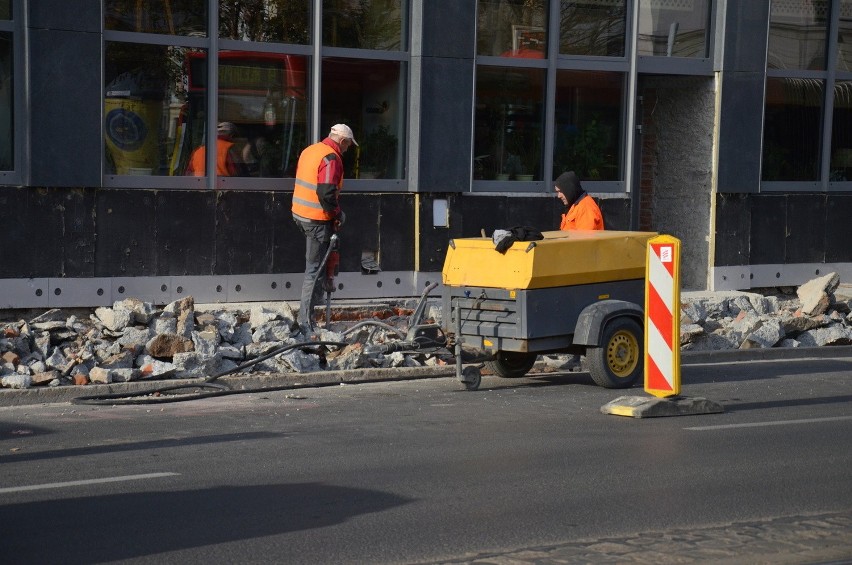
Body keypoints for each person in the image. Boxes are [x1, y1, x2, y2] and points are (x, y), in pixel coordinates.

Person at [291, 123, 358, 333]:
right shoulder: (331, 158)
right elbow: (326, 194)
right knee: (314, 272)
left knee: (315, 268)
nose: (347, 149)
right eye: (348, 145)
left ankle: (307, 317)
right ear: (343, 141)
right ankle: (305, 322)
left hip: (300, 215)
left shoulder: (311, 150)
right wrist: (338, 215)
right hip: (316, 221)